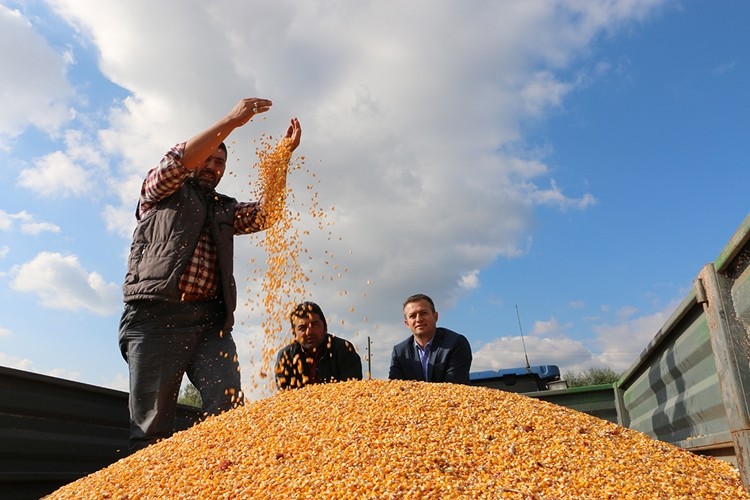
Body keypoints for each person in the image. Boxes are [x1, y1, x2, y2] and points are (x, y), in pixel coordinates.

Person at [118, 98, 302, 452]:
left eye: (220, 163)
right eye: (208, 158)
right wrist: (231, 121)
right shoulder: (161, 191)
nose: (213, 166)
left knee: (229, 413)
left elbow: (267, 215)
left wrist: (281, 160)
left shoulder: (224, 208)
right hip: (156, 318)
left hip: (209, 325)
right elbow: (176, 161)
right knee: (151, 429)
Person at [275, 301, 363, 390]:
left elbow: (351, 391)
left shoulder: (343, 350)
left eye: (315, 325)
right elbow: (285, 395)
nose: (309, 332)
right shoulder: (286, 357)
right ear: (294, 334)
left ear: (325, 327)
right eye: (302, 328)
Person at [388, 293, 473, 384]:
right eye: (412, 316)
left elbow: (453, 385)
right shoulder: (400, 352)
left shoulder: (455, 343)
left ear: (435, 316)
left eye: (423, 313)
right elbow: (395, 387)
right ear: (407, 323)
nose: (418, 319)